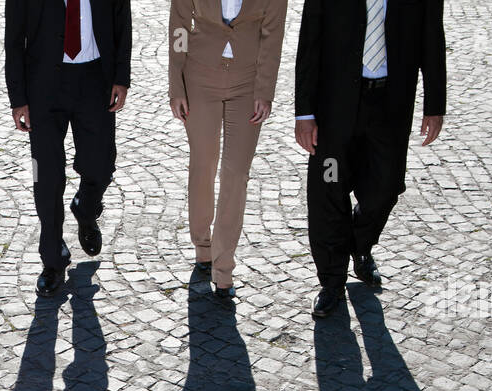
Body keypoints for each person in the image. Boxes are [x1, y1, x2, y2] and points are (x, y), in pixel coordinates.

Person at [294, 0, 446, 317]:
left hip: (390, 105)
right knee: (329, 189)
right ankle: (332, 282)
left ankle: (360, 245)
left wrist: (434, 104)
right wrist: (304, 113)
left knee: (386, 187)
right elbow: (310, 40)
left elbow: (431, 35)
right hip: (334, 111)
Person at [6, 0, 133, 296]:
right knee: (47, 176)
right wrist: (18, 98)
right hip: (43, 86)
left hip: (95, 79)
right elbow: (13, 37)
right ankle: (53, 260)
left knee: (101, 165)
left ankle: (86, 208)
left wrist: (121, 77)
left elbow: (122, 23)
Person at [169, 0, 288, 298]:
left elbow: (273, 35)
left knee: (236, 174)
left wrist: (265, 90)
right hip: (199, 79)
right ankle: (202, 244)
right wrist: (176, 86)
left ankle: (224, 269)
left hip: (247, 83)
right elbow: (179, 26)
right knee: (204, 163)